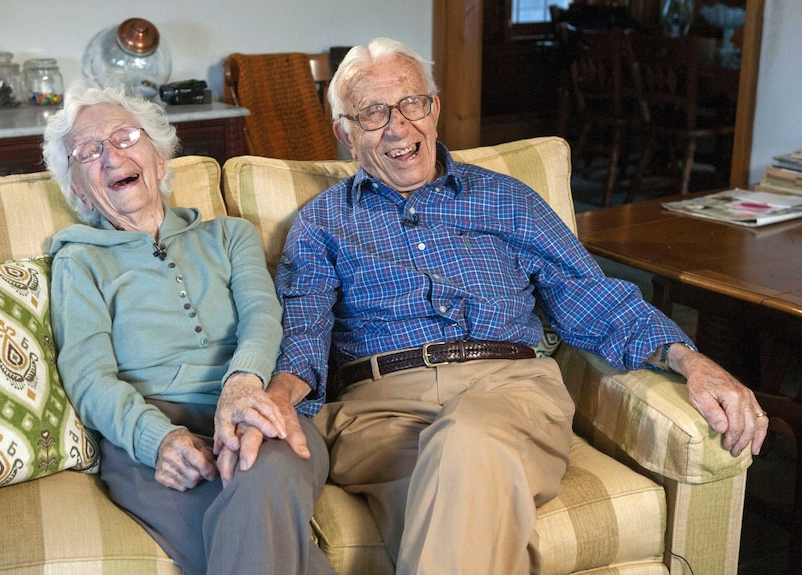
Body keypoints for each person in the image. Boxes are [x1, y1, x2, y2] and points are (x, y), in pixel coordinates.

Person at [270, 37, 769, 575]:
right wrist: (276, 397)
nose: (398, 126)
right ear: (346, 134)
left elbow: (587, 293)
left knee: (466, 445)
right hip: (381, 412)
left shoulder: (508, 200)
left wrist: (689, 360)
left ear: (434, 109)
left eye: (412, 103)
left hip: (512, 390)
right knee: (465, 508)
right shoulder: (322, 223)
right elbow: (305, 327)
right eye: (372, 113)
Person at [43, 79, 335, 575]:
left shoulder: (229, 235)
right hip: (148, 433)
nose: (111, 157)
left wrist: (242, 386)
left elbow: (264, 316)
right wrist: (157, 439)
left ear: (160, 159)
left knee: (261, 480)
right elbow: (89, 378)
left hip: (256, 407)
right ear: (76, 187)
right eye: (87, 151)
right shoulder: (79, 263)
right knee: (261, 541)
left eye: (125, 138)